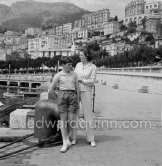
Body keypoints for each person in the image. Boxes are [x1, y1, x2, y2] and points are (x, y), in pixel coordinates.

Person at [48, 56, 80, 153]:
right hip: (62, 96)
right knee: (63, 121)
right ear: (62, 65)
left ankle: (66, 138)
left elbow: (77, 88)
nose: (71, 66)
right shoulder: (58, 75)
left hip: (72, 96)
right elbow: (51, 90)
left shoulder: (74, 74)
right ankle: (65, 142)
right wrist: (58, 98)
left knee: (71, 121)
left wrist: (78, 101)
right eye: (69, 65)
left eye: (71, 64)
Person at [72, 46, 97, 147]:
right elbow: (74, 75)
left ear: (86, 56)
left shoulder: (93, 67)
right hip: (76, 91)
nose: (80, 56)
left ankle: (91, 139)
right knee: (73, 114)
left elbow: (92, 81)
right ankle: (73, 137)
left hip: (86, 91)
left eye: (81, 55)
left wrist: (82, 80)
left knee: (88, 115)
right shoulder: (78, 65)